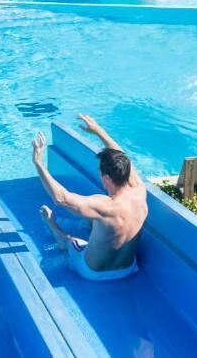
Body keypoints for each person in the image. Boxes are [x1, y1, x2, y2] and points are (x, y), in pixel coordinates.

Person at [33, 114, 148, 281]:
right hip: (129, 269)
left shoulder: (105, 206)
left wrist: (38, 164)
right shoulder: (139, 190)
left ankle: (55, 231)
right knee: (95, 221)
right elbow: (123, 157)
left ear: (107, 178)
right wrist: (98, 131)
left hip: (94, 273)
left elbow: (61, 199)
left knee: (70, 241)